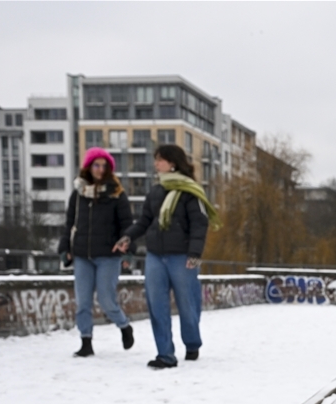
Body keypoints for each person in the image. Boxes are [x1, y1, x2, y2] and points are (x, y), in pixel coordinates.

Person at [116, 144, 220, 369]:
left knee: (188, 303)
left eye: (160, 160)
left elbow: (199, 223)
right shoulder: (155, 191)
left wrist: (194, 253)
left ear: (173, 162)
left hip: (182, 257)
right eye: (156, 160)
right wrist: (127, 237)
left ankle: (192, 343)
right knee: (157, 305)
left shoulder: (190, 191)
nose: (156, 164)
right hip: (155, 256)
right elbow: (145, 221)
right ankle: (165, 354)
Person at [58, 148, 135, 358]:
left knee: (106, 300)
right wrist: (64, 248)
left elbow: (127, 224)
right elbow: (69, 224)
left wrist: (128, 251)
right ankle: (86, 341)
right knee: (82, 302)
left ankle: (124, 326)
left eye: (104, 166)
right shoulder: (78, 194)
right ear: (88, 167)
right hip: (82, 255)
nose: (100, 169)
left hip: (108, 256)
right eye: (96, 165)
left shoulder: (116, 195)